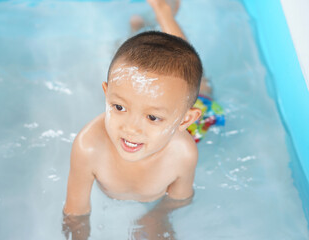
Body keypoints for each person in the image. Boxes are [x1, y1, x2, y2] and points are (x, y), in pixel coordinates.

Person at [62, 0, 222, 239]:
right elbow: (75, 215)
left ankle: (163, 12)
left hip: (198, 116)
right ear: (106, 95)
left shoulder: (183, 152)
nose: (131, 128)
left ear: (183, 121)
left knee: (198, 83)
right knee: (141, 60)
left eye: (152, 117)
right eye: (118, 107)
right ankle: (142, 26)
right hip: (167, 107)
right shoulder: (88, 147)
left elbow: (179, 199)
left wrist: (157, 216)